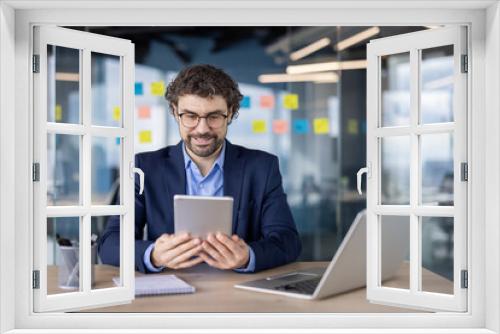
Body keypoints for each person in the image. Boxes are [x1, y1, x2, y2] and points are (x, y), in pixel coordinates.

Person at [98, 64, 301, 273]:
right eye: (190, 116)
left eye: (214, 117)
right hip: (170, 290)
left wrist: (248, 256)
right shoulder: (144, 168)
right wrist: (153, 255)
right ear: (175, 112)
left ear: (230, 113)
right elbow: (110, 244)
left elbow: (287, 241)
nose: (202, 129)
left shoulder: (262, 168)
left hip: (237, 290)